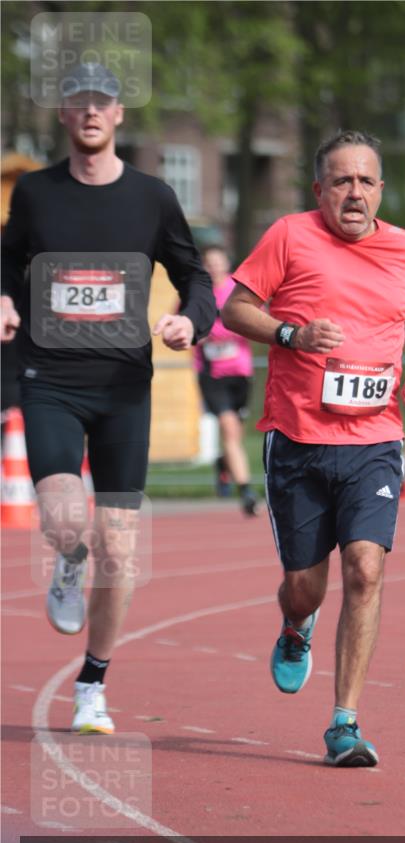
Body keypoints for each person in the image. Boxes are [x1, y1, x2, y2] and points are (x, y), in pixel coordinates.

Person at [0, 62, 216, 734]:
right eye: (77, 103)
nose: (90, 112)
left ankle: (92, 686)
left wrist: (191, 320)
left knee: (120, 549)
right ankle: (67, 562)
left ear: (118, 113)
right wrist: (4, 297)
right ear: (64, 115)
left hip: (125, 390)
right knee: (67, 522)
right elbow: (7, 260)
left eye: (102, 102)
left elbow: (195, 275)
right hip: (51, 384)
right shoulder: (35, 193)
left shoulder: (152, 198)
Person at [222, 129, 405, 767]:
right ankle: (296, 627)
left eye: (365, 181)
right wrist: (291, 331)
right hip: (298, 439)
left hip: (374, 438)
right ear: (319, 189)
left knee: (366, 571)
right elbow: (235, 309)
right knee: (304, 586)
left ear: (380, 190)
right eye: (340, 181)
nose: (354, 192)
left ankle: (344, 722)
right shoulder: (289, 235)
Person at [194, 245, 259, 515]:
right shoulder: (196, 292)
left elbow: (255, 319)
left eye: (219, 262)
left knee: (236, 434)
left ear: (226, 264)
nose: (214, 268)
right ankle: (246, 492)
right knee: (230, 431)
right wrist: (201, 333)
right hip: (211, 373)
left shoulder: (238, 288)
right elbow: (188, 328)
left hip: (240, 372)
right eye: (209, 263)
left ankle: (224, 464)